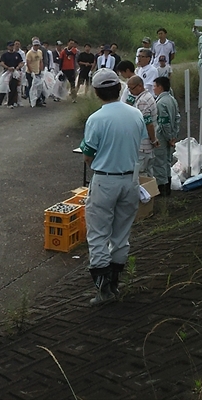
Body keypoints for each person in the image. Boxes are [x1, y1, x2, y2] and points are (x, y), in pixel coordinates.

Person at [79, 69, 147, 306]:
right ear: (120, 89)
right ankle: (115, 284)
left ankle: (103, 291)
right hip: (130, 180)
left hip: (105, 179)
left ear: (97, 92)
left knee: (98, 234)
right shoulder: (136, 114)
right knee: (121, 234)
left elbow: (88, 155)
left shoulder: (96, 119)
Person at [125, 76, 158, 178]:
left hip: (143, 145)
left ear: (140, 86)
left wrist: (153, 140)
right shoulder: (147, 96)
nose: (130, 91)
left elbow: (148, 124)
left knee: (141, 175)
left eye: (131, 88)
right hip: (147, 146)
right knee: (149, 172)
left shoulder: (142, 102)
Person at [153, 77, 180, 196]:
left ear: (160, 87)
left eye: (154, 86)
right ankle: (167, 187)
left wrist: (169, 137)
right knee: (167, 161)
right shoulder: (172, 100)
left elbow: (164, 122)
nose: (153, 89)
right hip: (170, 136)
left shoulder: (160, 103)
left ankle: (162, 189)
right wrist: (174, 135)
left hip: (162, 137)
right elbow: (177, 118)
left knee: (159, 163)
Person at [0, 42, 22, 108]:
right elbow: (2, 63)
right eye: (10, 46)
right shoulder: (5, 55)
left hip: (14, 72)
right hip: (6, 72)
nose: (12, 47)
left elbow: (21, 62)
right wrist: (7, 67)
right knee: (3, 87)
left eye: (13, 46)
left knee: (13, 88)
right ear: (8, 47)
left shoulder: (17, 54)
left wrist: (18, 67)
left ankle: (10, 103)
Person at [25, 39, 46, 107]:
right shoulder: (29, 53)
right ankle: (32, 100)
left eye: (37, 45)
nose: (36, 47)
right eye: (35, 45)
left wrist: (42, 70)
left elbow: (41, 61)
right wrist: (31, 72)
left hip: (38, 72)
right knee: (32, 87)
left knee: (38, 87)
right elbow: (28, 63)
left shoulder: (40, 52)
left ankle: (38, 100)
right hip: (30, 72)